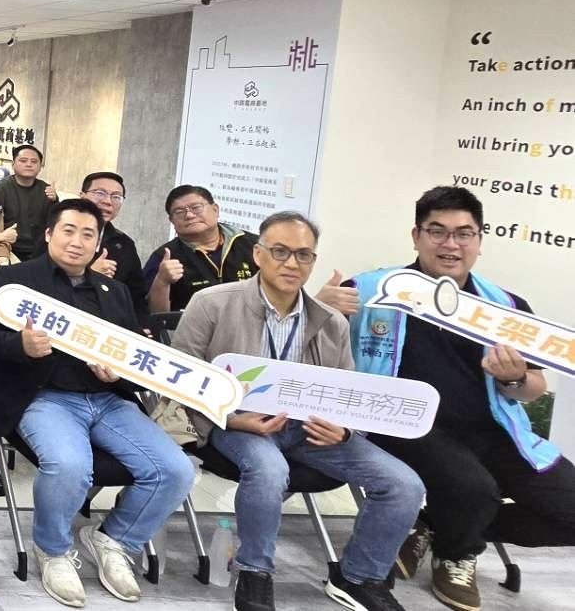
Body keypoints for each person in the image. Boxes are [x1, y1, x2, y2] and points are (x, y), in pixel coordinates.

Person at [341, 186, 575, 611]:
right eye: (437, 231)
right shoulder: (372, 289)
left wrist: (515, 378)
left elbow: (534, 387)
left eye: (464, 233)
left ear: (479, 241)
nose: (451, 244)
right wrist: (322, 309)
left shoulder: (505, 306)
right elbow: (317, 348)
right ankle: (456, 554)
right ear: (416, 236)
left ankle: (437, 525)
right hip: (404, 425)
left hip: (495, 429)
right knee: (475, 490)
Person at [172, 211, 419, 611]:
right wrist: (233, 419)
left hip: (311, 428)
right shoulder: (212, 303)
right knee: (269, 470)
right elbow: (180, 379)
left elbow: (345, 391)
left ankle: (358, 577)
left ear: (313, 261)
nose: (292, 263)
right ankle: (254, 571)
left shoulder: (331, 321)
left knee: (404, 484)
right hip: (239, 423)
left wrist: (344, 430)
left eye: (303, 255)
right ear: (258, 254)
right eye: (280, 252)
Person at [0, 198, 193, 608]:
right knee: (71, 465)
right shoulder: (14, 281)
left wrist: (119, 373)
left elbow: (131, 355)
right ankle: (53, 549)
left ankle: (115, 539)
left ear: (98, 244)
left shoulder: (114, 292)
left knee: (175, 470)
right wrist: (20, 345)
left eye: (88, 234)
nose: (77, 241)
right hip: (44, 397)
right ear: (48, 234)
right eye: (68, 230)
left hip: (107, 400)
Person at [144, 185, 260, 313]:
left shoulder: (254, 245)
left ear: (215, 210)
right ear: (171, 220)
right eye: (179, 211)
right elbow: (154, 315)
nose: (189, 215)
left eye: (196, 207)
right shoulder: (163, 257)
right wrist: (162, 281)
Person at [81, 172, 148, 322]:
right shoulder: (58, 233)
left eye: (116, 197)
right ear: (82, 195)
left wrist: (141, 328)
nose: (108, 201)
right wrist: (90, 275)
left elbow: (137, 296)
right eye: (100, 193)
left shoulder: (125, 244)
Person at [0, 144, 57, 260]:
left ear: (40, 167)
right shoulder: (1, 188)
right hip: (10, 248)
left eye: (34, 161)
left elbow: (54, 222)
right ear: (13, 164)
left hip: (40, 251)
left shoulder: (46, 190)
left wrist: (55, 200)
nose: (29, 164)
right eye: (23, 161)